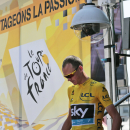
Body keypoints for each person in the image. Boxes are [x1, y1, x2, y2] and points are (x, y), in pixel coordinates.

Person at [61, 55, 122, 130]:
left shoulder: (98, 87)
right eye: (66, 77)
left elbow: (116, 117)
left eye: (70, 75)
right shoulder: (70, 90)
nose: (69, 79)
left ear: (80, 68)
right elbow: (70, 119)